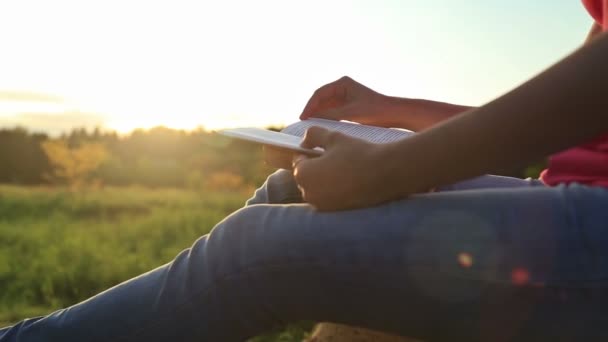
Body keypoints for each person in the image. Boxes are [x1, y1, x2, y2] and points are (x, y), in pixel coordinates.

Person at [2, 1, 608, 341]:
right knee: (286, 192)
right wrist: (393, 112)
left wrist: (385, 170)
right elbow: (583, 107)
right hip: (573, 196)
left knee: (257, 252)